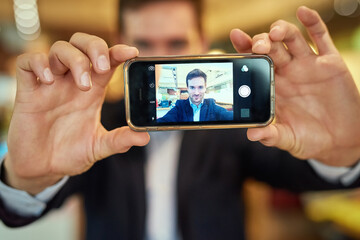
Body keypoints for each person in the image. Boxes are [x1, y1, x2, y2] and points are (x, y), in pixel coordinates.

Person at [0, 0, 360, 239]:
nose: (159, 57)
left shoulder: (230, 128)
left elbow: (297, 173)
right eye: (144, 42)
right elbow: (20, 213)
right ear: (122, 42)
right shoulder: (94, 125)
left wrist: (342, 150)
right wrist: (26, 178)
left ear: (201, 41)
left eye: (175, 44)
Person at [158, 68, 233, 122]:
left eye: (200, 87)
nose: (196, 93)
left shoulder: (212, 106)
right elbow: (163, 121)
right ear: (187, 88)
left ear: (205, 87)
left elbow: (230, 116)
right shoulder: (179, 108)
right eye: (192, 87)